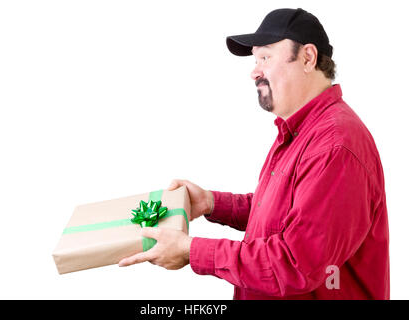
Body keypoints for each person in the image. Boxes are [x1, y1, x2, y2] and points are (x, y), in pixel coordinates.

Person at [118, 8, 390, 300]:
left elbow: (296, 263)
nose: (254, 71)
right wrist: (211, 203)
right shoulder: (299, 132)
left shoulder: (336, 146)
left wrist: (191, 250)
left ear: (308, 58)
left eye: (265, 57)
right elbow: (285, 218)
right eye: (254, 59)